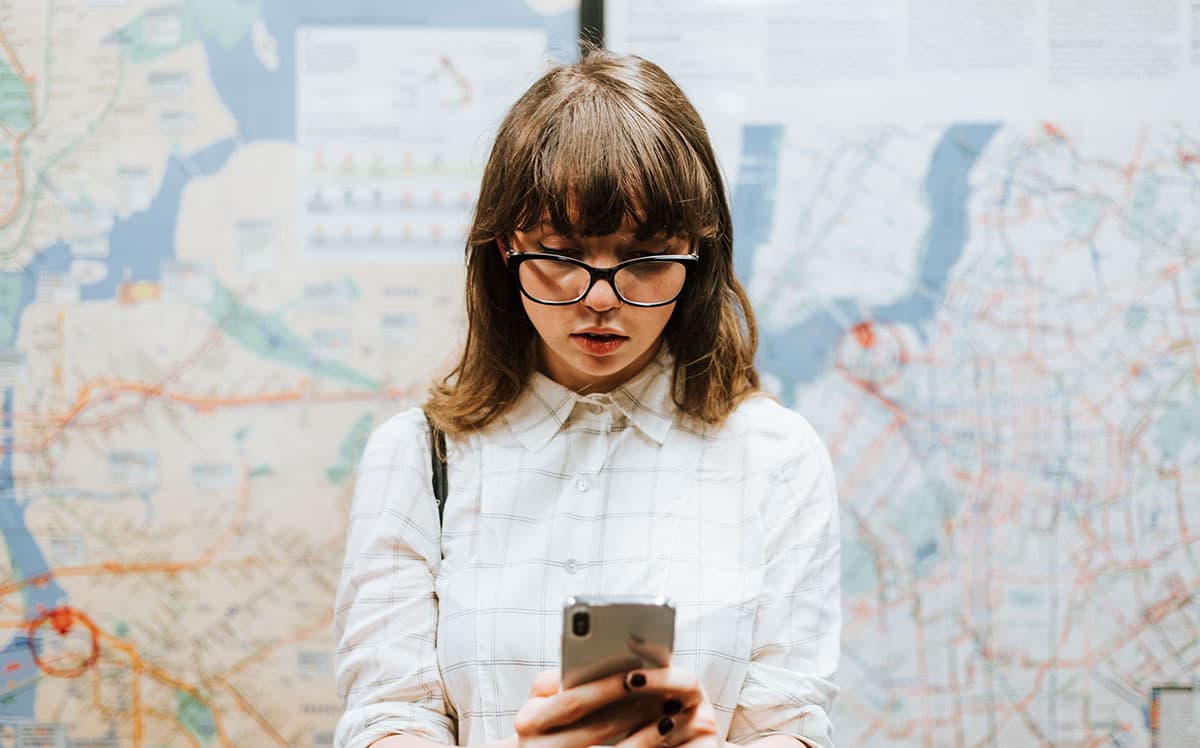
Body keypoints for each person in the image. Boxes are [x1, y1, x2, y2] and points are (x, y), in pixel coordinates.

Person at [333, 49, 840, 748]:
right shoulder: (421, 458)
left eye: (648, 258)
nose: (600, 300)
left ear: (698, 256)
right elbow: (386, 717)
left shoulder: (777, 457)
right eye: (562, 253)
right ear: (506, 248)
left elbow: (792, 727)